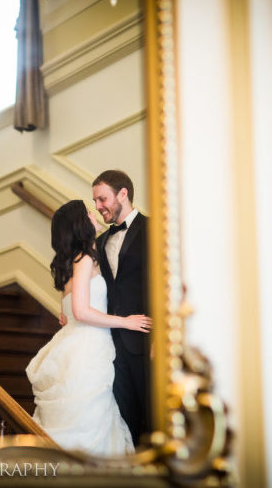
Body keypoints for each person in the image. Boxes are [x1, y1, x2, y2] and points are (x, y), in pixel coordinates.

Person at [26, 200, 151, 456]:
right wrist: (126, 321)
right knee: (89, 419)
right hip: (87, 348)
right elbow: (81, 312)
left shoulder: (74, 260)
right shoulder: (84, 259)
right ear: (81, 222)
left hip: (79, 343)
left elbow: (68, 310)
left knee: (87, 416)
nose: (94, 213)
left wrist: (69, 313)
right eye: (88, 211)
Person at [92, 170, 150, 447]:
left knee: (153, 415)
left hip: (146, 338)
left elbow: (165, 285)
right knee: (126, 417)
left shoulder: (153, 229)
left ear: (122, 194)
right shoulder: (102, 242)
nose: (98, 206)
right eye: (95, 201)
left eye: (102, 199)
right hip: (112, 344)